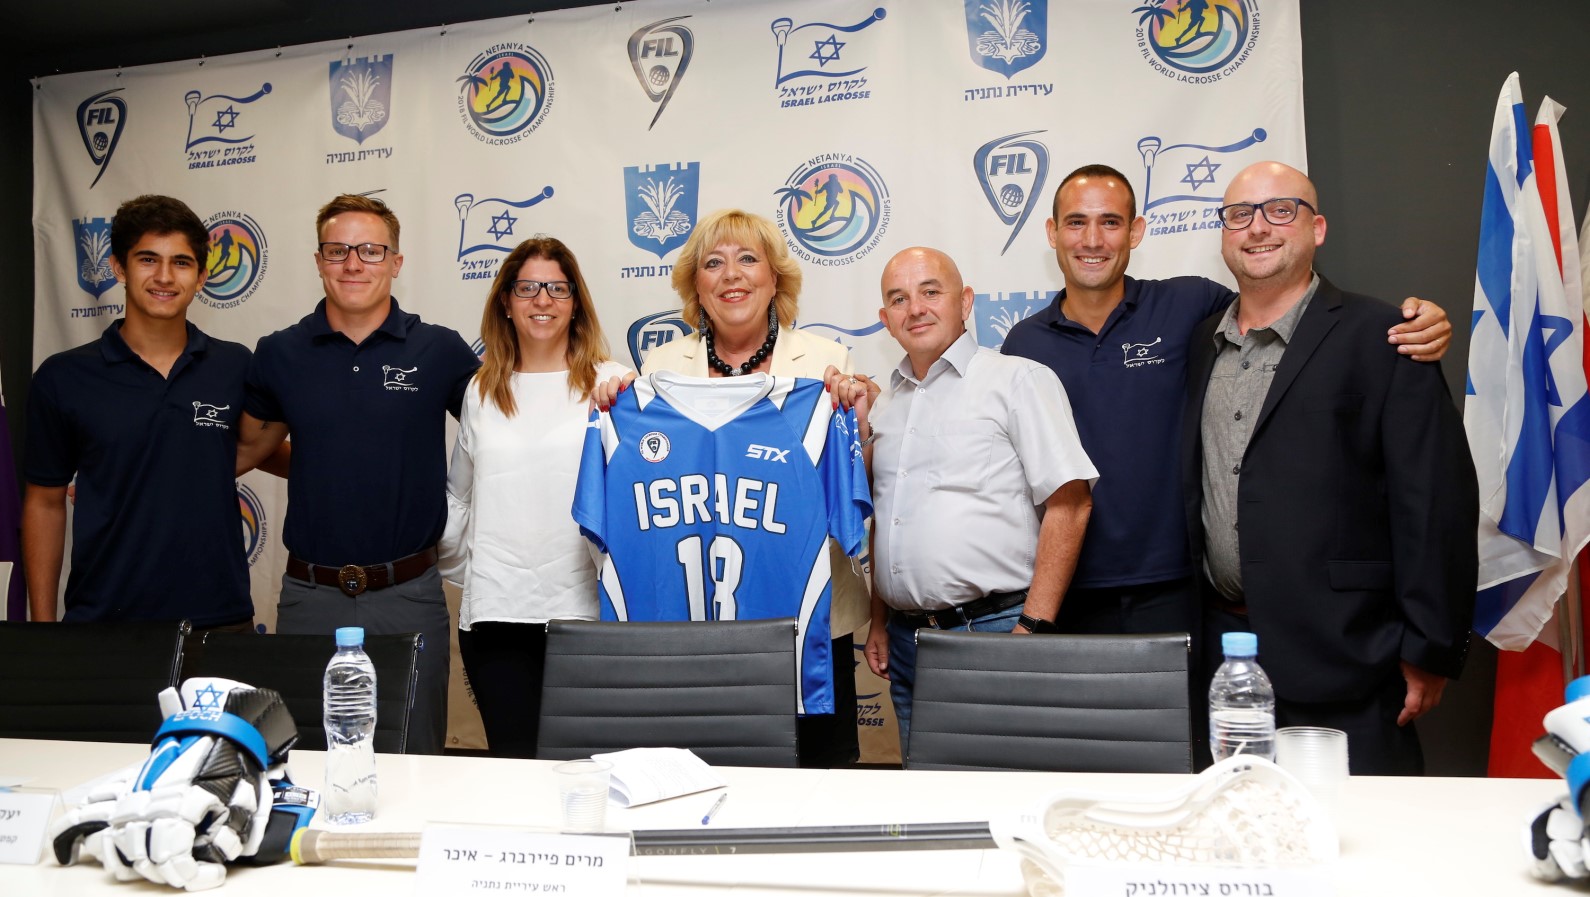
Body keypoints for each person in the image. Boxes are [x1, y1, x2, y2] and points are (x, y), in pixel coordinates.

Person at [1001, 164, 1451, 638]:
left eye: (1110, 222)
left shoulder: (1191, 303)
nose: (1092, 239)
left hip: (1182, 589)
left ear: (1136, 231)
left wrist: (1421, 320)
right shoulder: (1023, 344)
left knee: (1191, 714)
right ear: (1052, 233)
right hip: (1068, 591)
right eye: (1076, 222)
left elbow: (1289, 304)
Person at [1182, 161, 1477, 775]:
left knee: (1362, 848)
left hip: (1350, 653)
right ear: (1222, 234)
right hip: (1223, 661)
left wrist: (1431, 646)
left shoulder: (1388, 334)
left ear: (1317, 229)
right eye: (1240, 214)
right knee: (1239, 841)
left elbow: (1433, 502)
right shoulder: (1201, 339)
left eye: (1279, 210)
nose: (1258, 227)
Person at [625, 208, 870, 768]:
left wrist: (854, 418)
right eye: (713, 263)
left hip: (806, 618)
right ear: (695, 285)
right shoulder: (658, 368)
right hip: (695, 620)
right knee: (700, 772)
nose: (731, 275)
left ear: (775, 277)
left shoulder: (825, 364)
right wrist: (615, 402)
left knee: (816, 782)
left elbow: (853, 482)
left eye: (747, 260)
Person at [236, 194, 480, 754]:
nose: (353, 264)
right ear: (319, 261)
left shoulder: (438, 350)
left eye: (370, 250)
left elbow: (507, 429)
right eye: (338, 250)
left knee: (416, 754)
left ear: (396, 262)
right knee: (301, 761)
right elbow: (247, 448)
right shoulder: (279, 353)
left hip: (410, 593)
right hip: (308, 595)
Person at [840, 246, 1098, 750]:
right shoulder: (884, 406)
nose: (915, 308)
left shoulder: (1018, 381)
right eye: (899, 298)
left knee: (1002, 798)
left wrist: (1032, 628)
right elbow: (886, 521)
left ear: (966, 302)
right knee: (932, 808)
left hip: (995, 632)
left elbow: (1072, 504)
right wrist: (878, 620)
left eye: (931, 292)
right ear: (884, 319)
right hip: (907, 643)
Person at [23, 194, 252, 628]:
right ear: (118, 267)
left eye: (181, 263)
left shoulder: (235, 365)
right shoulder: (63, 377)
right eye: (148, 259)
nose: (164, 277)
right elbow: (45, 503)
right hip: (103, 622)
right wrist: (43, 627)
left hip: (220, 619)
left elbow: (254, 446)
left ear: (202, 276)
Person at [438, 236, 628, 759]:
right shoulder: (481, 389)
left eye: (556, 288)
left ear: (575, 302)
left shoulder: (614, 384)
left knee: (588, 770)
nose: (542, 300)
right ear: (505, 301)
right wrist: (474, 573)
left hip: (587, 616)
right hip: (497, 615)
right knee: (514, 766)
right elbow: (461, 497)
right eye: (527, 288)